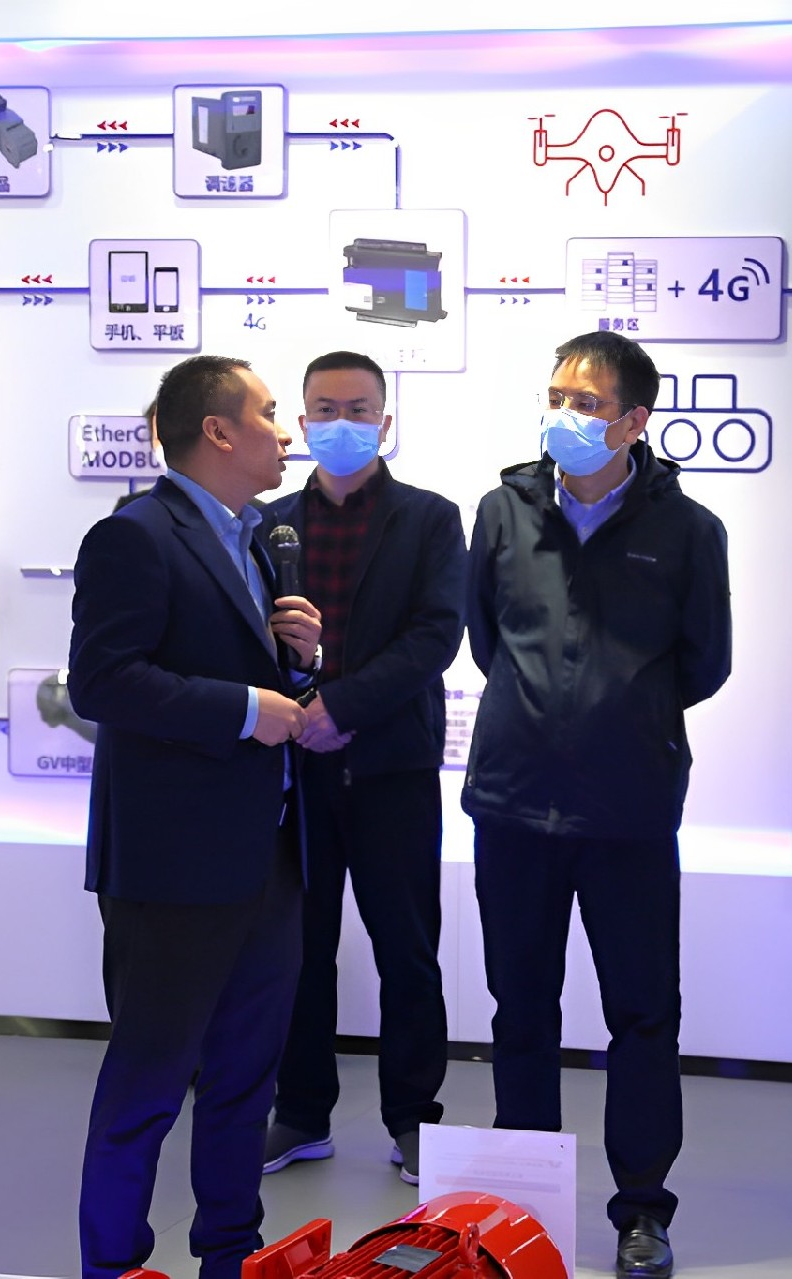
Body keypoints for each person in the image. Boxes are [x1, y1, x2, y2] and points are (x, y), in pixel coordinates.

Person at [463, 329, 731, 1279]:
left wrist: (622, 715)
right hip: (513, 803)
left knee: (644, 1015)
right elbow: (487, 640)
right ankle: (521, 1206)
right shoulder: (502, 510)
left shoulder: (688, 529)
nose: (564, 416)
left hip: (628, 810)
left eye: (585, 402)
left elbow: (704, 663)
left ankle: (642, 1211)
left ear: (633, 421)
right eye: (556, 398)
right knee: (519, 1010)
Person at [68, 354, 323, 1279]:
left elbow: (255, 679)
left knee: (245, 1083)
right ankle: (113, 1264)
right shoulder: (135, 535)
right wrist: (247, 710)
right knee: (146, 1084)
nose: (287, 433)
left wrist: (301, 664)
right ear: (217, 430)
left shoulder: (258, 538)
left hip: (267, 857)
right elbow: (103, 681)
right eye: (268, 413)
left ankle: (230, 1255)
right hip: (172, 868)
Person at [260, 351, 464, 1185]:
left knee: (407, 949)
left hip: (391, 765)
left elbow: (434, 635)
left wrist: (340, 707)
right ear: (302, 421)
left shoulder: (429, 519)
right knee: (297, 946)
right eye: (324, 408)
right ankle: (301, 1111)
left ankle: (414, 1118)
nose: (339, 422)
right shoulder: (268, 522)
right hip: (294, 769)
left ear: (384, 421)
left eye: (357, 409)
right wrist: (298, 712)